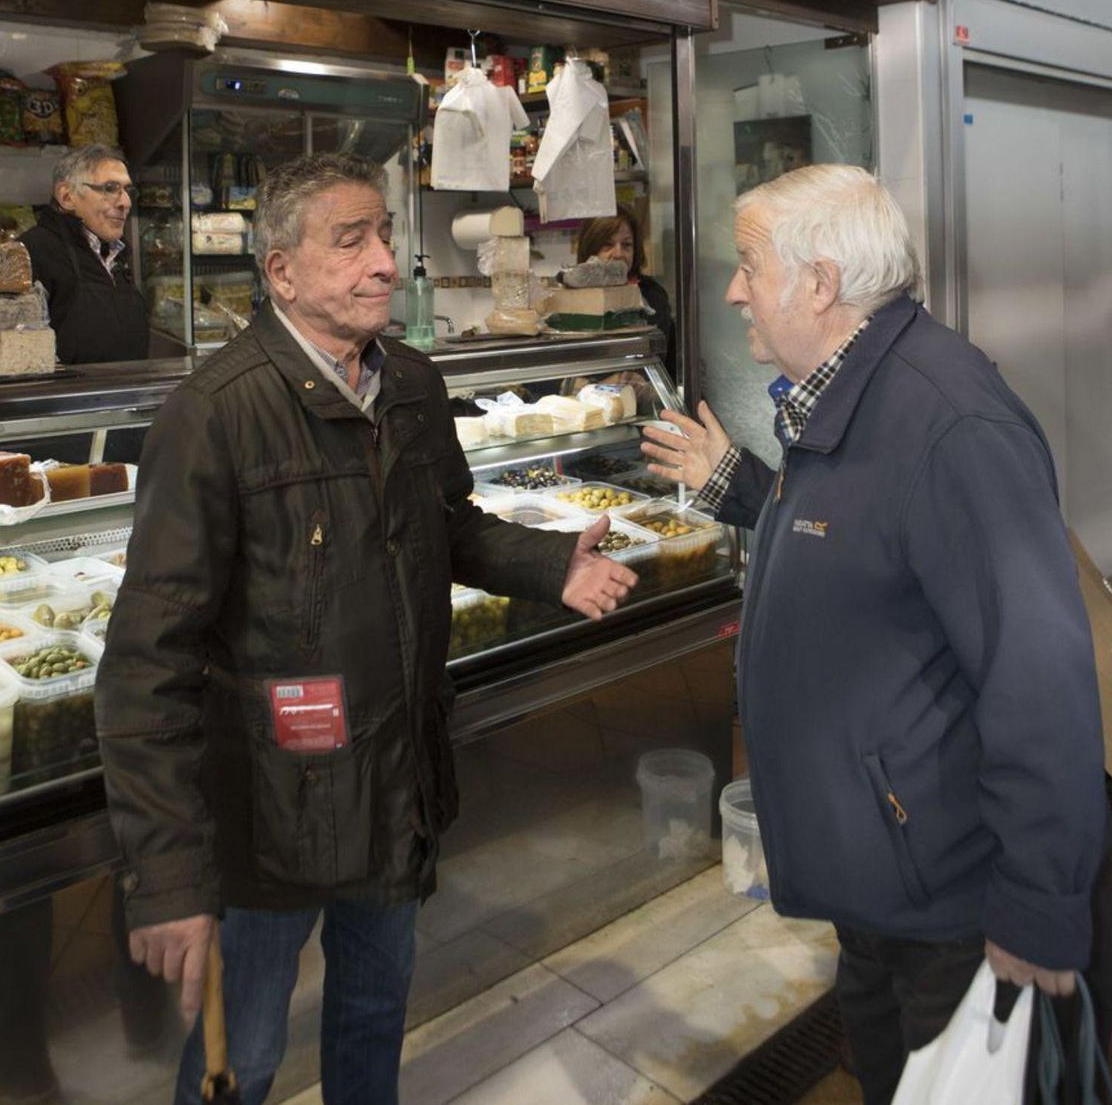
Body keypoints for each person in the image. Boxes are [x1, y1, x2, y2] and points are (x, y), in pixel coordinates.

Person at [94, 152, 637, 1105]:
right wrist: (170, 876)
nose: (386, 262)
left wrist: (554, 564)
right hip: (271, 804)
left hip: (395, 777)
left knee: (372, 1017)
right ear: (282, 273)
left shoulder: (415, 386)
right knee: (244, 1057)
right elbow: (147, 665)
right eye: (353, 242)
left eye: (384, 235)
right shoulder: (213, 416)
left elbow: (450, 523)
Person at [641, 164, 1107, 1105]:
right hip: (880, 887)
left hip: (953, 909)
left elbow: (1041, 672)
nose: (733, 289)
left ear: (819, 284)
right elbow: (853, 544)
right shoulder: (842, 397)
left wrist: (1041, 908)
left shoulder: (948, 422)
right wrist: (736, 481)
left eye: (749, 266)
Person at [20, 143, 150, 365]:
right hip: (66, 398)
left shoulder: (114, 254)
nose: (125, 202)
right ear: (67, 197)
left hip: (125, 395)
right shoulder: (32, 252)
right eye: (110, 188)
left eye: (128, 191)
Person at [575, 207, 675, 377]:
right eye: (608, 245)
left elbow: (657, 360)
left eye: (627, 245)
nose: (618, 254)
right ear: (590, 249)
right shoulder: (572, 295)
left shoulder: (651, 294)